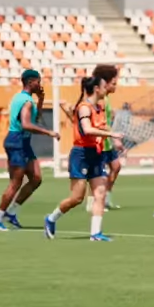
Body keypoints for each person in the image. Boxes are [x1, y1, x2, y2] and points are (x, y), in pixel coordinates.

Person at [44, 76, 122, 241]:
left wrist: (113, 138)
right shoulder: (84, 108)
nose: (106, 87)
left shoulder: (99, 108)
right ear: (96, 89)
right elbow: (87, 130)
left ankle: (95, 233)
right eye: (104, 85)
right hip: (81, 155)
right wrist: (111, 134)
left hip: (96, 154)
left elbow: (101, 126)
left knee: (100, 193)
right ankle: (51, 218)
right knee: (77, 198)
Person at [0, 70, 57, 231]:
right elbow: (27, 125)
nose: (40, 85)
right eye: (38, 82)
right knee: (15, 182)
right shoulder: (26, 101)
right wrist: (49, 133)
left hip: (24, 142)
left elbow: (37, 118)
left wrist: (41, 99)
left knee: (36, 178)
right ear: (31, 82)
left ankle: (11, 212)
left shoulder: (23, 98)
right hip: (17, 141)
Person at [93, 64, 122, 211]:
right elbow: (100, 123)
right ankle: (94, 201)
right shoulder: (100, 100)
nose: (116, 85)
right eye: (114, 83)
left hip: (107, 142)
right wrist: (115, 138)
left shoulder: (107, 99)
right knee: (98, 175)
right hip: (100, 143)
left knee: (116, 166)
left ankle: (106, 198)